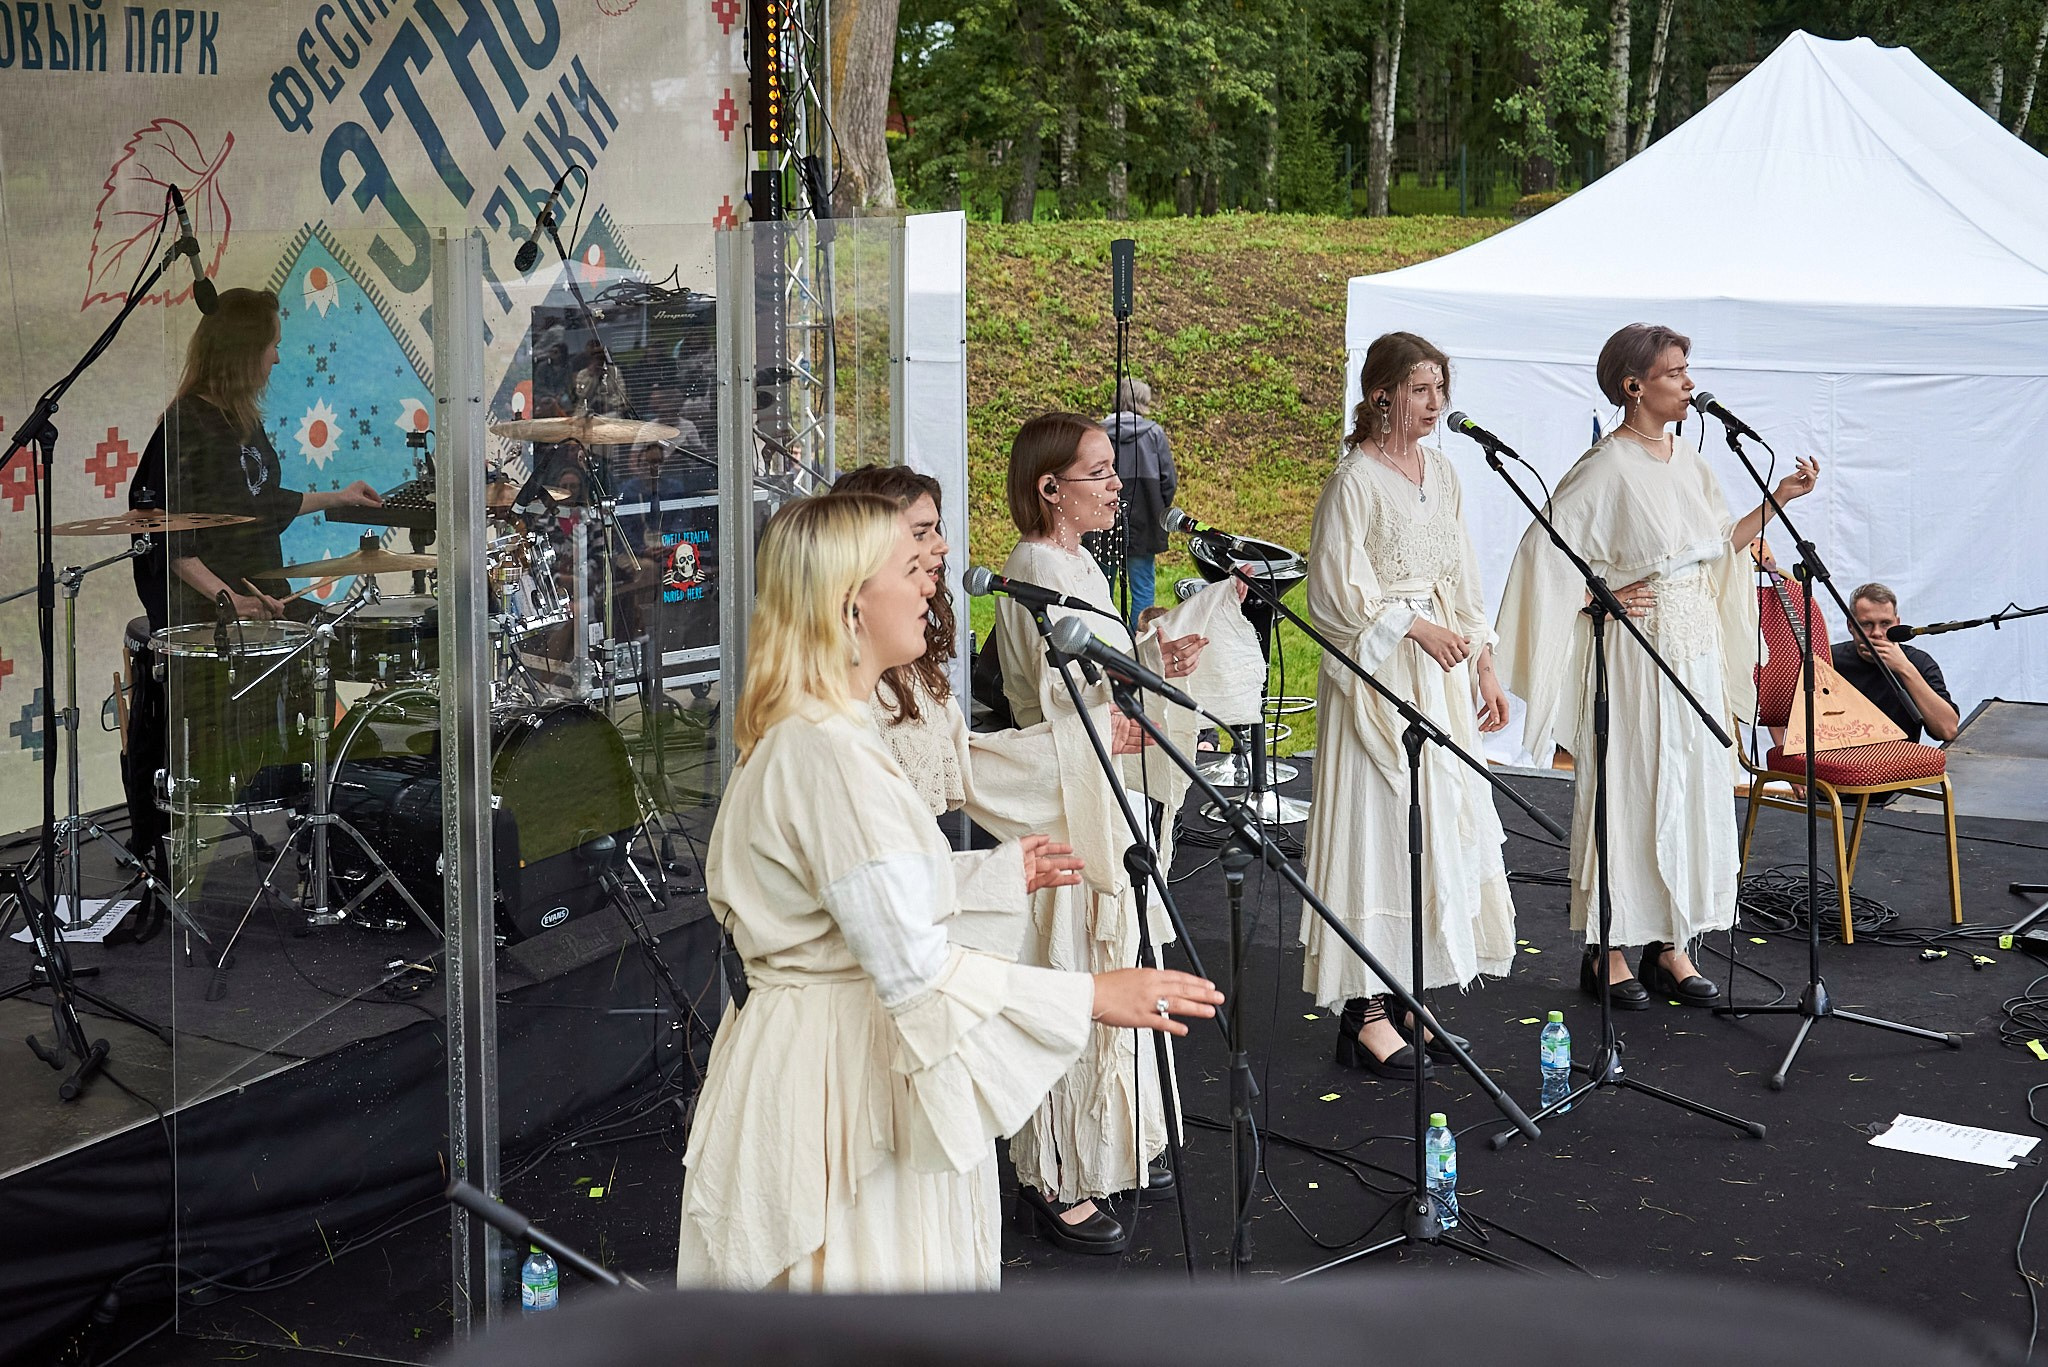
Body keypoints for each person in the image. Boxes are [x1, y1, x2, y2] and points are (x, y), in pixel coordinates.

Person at [674, 493, 1219, 1291]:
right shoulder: (827, 753)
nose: (932, 584)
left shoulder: (828, 731)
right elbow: (912, 968)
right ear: (851, 604)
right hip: (835, 1079)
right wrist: (1091, 995)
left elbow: (862, 899)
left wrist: (995, 873)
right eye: (911, 568)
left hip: (838, 1054)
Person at [1495, 323, 1817, 1009]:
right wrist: (1594, 599)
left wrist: (1780, 499)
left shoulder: (1691, 461)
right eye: (1675, 373)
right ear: (1634, 385)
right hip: (1637, 656)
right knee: (1632, 789)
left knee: (1692, 788)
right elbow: (1543, 553)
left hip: (1694, 650)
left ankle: (1670, 943)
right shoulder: (1604, 466)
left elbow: (1719, 547)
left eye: (1686, 370)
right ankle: (1608, 948)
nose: (1689, 384)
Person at [991, 412, 1234, 1255]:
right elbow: (1054, 701)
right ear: (1049, 488)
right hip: (1063, 801)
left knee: (1113, 964)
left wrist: (1154, 658)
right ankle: (1054, 1174)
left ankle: (1110, 1148)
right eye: (1097, 471)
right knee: (1073, 969)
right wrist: (1119, 711)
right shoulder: (1035, 566)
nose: (1116, 483)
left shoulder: (1079, 560)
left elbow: (1097, 676)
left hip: (1099, 789)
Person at [1300, 333, 1516, 1080]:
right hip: (1380, 672)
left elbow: (1462, 574)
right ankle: (1363, 1013)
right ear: (1382, 394)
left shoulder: (1443, 472)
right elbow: (1332, 594)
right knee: (1381, 828)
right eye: (1421, 390)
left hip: (1441, 673)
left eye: (1440, 389)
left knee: (1433, 827)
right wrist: (1415, 627)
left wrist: (1484, 662)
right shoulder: (1353, 482)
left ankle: (1408, 995)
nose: (1435, 403)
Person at [127, 287, 382, 630]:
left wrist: (339, 498)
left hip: (263, 601)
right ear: (245, 353)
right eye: (273, 346)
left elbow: (261, 501)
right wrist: (231, 599)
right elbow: (166, 536)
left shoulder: (240, 419)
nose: (276, 359)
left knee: (351, 632)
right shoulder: (185, 427)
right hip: (212, 618)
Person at [1833, 583, 1959, 744]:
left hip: (1901, 757)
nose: (1877, 633)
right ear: (1850, 626)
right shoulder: (1829, 659)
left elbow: (1947, 730)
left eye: (1885, 624)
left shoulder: (1918, 662)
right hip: (1843, 755)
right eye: (1866, 624)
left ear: (1897, 624)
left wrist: (1904, 668)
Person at [1098, 378, 1178, 624]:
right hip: (1145, 521)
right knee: (1142, 588)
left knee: (1100, 587)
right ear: (1143, 401)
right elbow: (1168, 481)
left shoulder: (1097, 433)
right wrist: (1157, 510)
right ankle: (1140, 642)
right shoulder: (1153, 433)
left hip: (1102, 517)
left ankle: (1105, 638)